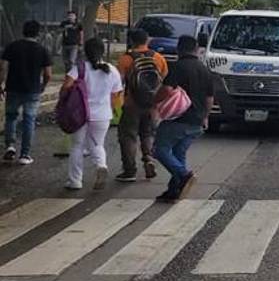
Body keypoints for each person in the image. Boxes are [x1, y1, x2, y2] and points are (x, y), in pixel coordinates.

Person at [153, 35, 214, 202]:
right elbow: (210, 98)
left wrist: (155, 101)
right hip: (197, 120)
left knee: (159, 150)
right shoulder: (205, 70)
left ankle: (184, 175)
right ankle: (174, 190)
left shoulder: (178, 67)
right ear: (197, 49)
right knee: (179, 153)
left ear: (179, 49)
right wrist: (205, 116)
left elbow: (167, 89)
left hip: (178, 118)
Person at [62, 38, 124, 190]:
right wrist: (111, 108)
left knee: (77, 145)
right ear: (102, 51)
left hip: (80, 113)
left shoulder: (79, 68)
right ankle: (101, 165)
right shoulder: (112, 70)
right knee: (97, 144)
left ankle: (75, 181)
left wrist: (66, 100)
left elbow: (66, 86)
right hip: (103, 114)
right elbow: (116, 95)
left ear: (86, 51)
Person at [115, 28, 168, 182]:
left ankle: (129, 170)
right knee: (148, 133)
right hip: (152, 103)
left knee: (128, 136)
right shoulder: (158, 58)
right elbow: (163, 78)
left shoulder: (125, 59)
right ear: (147, 40)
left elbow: (119, 81)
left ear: (132, 41)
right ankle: (149, 159)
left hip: (131, 103)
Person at [1, 20, 53, 165]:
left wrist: (0, 84)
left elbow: (3, 68)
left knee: (11, 117)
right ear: (38, 33)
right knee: (29, 120)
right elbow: (48, 74)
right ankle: (25, 154)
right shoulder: (42, 50)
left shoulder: (12, 46)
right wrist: (43, 85)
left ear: (23, 31)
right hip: (32, 90)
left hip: (13, 88)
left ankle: (10, 146)